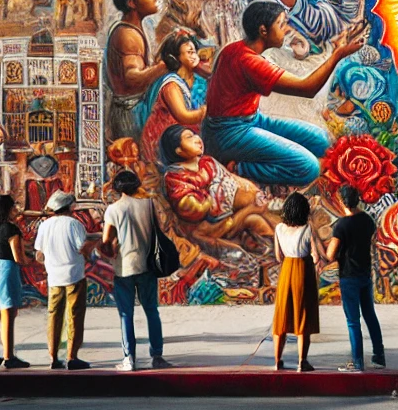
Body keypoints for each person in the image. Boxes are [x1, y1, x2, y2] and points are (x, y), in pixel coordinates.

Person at [202, 0, 365, 187]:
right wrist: (337, 54)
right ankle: (239, 167)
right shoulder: (249, 62)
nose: (286, 29)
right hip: (228, 134)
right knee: (308, 168)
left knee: (321, 140)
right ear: (263, 31)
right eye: (281, 24)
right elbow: (307, 88)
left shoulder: (237, 49)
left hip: (249, 120)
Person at [160, 126, 274, 248]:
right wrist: (203, 202)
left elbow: (231, 178)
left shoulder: (207, 162)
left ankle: (274, 244)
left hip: (231, 211)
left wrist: (254, 192)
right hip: (213, 223)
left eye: (195, 134)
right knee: (254, 210)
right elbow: (187, 206)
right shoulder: (175, 176)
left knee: (256, 220)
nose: (197, 139)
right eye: (189, 137)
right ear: (178, 150)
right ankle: (253, 209)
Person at [102, 169, 170, 372]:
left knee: (126, 314)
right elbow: (158, 232)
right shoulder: (149, 205)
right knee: (152, 311)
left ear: (117, 188)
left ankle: (129, 358)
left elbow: (106, 242)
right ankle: (157, 355)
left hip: (124, 267)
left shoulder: (113, 210)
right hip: (147, 265)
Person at [327, 185, 385, 372]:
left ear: (342, 202)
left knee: (353, 321)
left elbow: (330, 254)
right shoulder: (367, 220)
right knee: (370, 315)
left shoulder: (342, 225)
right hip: (364, 274)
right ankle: (379, 356)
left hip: (349, 275)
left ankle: (358, 362)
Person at [104, 0, 167, 142]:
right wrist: (163, 67)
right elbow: (132, 77)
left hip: (133, 110)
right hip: (130, 115)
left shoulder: (132, 29)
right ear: (131, 3)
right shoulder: (127, 35)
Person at [34, 190, 89, 370]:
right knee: (74, 315)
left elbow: (39, 254)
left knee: (54, 315)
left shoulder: (44, 225)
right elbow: (82, 248)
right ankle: (72, 357)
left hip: (54, 277)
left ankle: (53, 357)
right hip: (74, 275)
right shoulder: (74, 224)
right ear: (69, 207)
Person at [139, 31, 207, 164]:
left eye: (194, 52)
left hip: (188, 136)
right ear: (176, 58)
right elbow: (183, 116)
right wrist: (206, 111)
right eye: (189, 52)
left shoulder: (200, 81)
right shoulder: (171, 84)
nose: (194, 56)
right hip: (165, 140)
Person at [272, 191, 321, 372]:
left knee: (281, 317)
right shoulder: (308, 229)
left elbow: (278, 256)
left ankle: (277, 360)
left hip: (286, 270)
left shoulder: (278, 228)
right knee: (303, 317)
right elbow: (315, 257)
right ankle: (302, 361)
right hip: (303, 271)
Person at [0, 193, 29, 369]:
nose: (16, 209)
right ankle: (9, 357)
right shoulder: (11, 229)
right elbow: (18, 257)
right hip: (6, 270)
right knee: (8, 313)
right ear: (8, 209)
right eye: (14, 206)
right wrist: (32, 262)